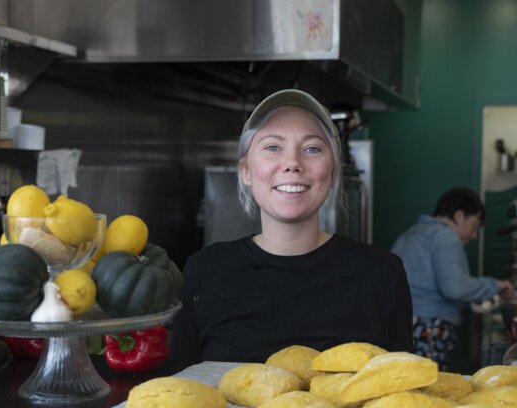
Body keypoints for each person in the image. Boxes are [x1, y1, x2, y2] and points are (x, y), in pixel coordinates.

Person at [171, 89, 413, 370]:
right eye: (273, 147)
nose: (292, 164)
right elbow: (183, 388)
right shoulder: (205, 271)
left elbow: (400, 389)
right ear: (245, 171)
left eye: (312, 148)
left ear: (333, 172)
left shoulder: (381, 274)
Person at [391, 187, 513, 369]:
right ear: (459, 215)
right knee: (428, 385)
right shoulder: (445, 237)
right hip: (429, 327)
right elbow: (455, 288)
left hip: (402, 324)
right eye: (474, 226)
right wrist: (495, 285)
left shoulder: (412, 233)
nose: (474, 235)